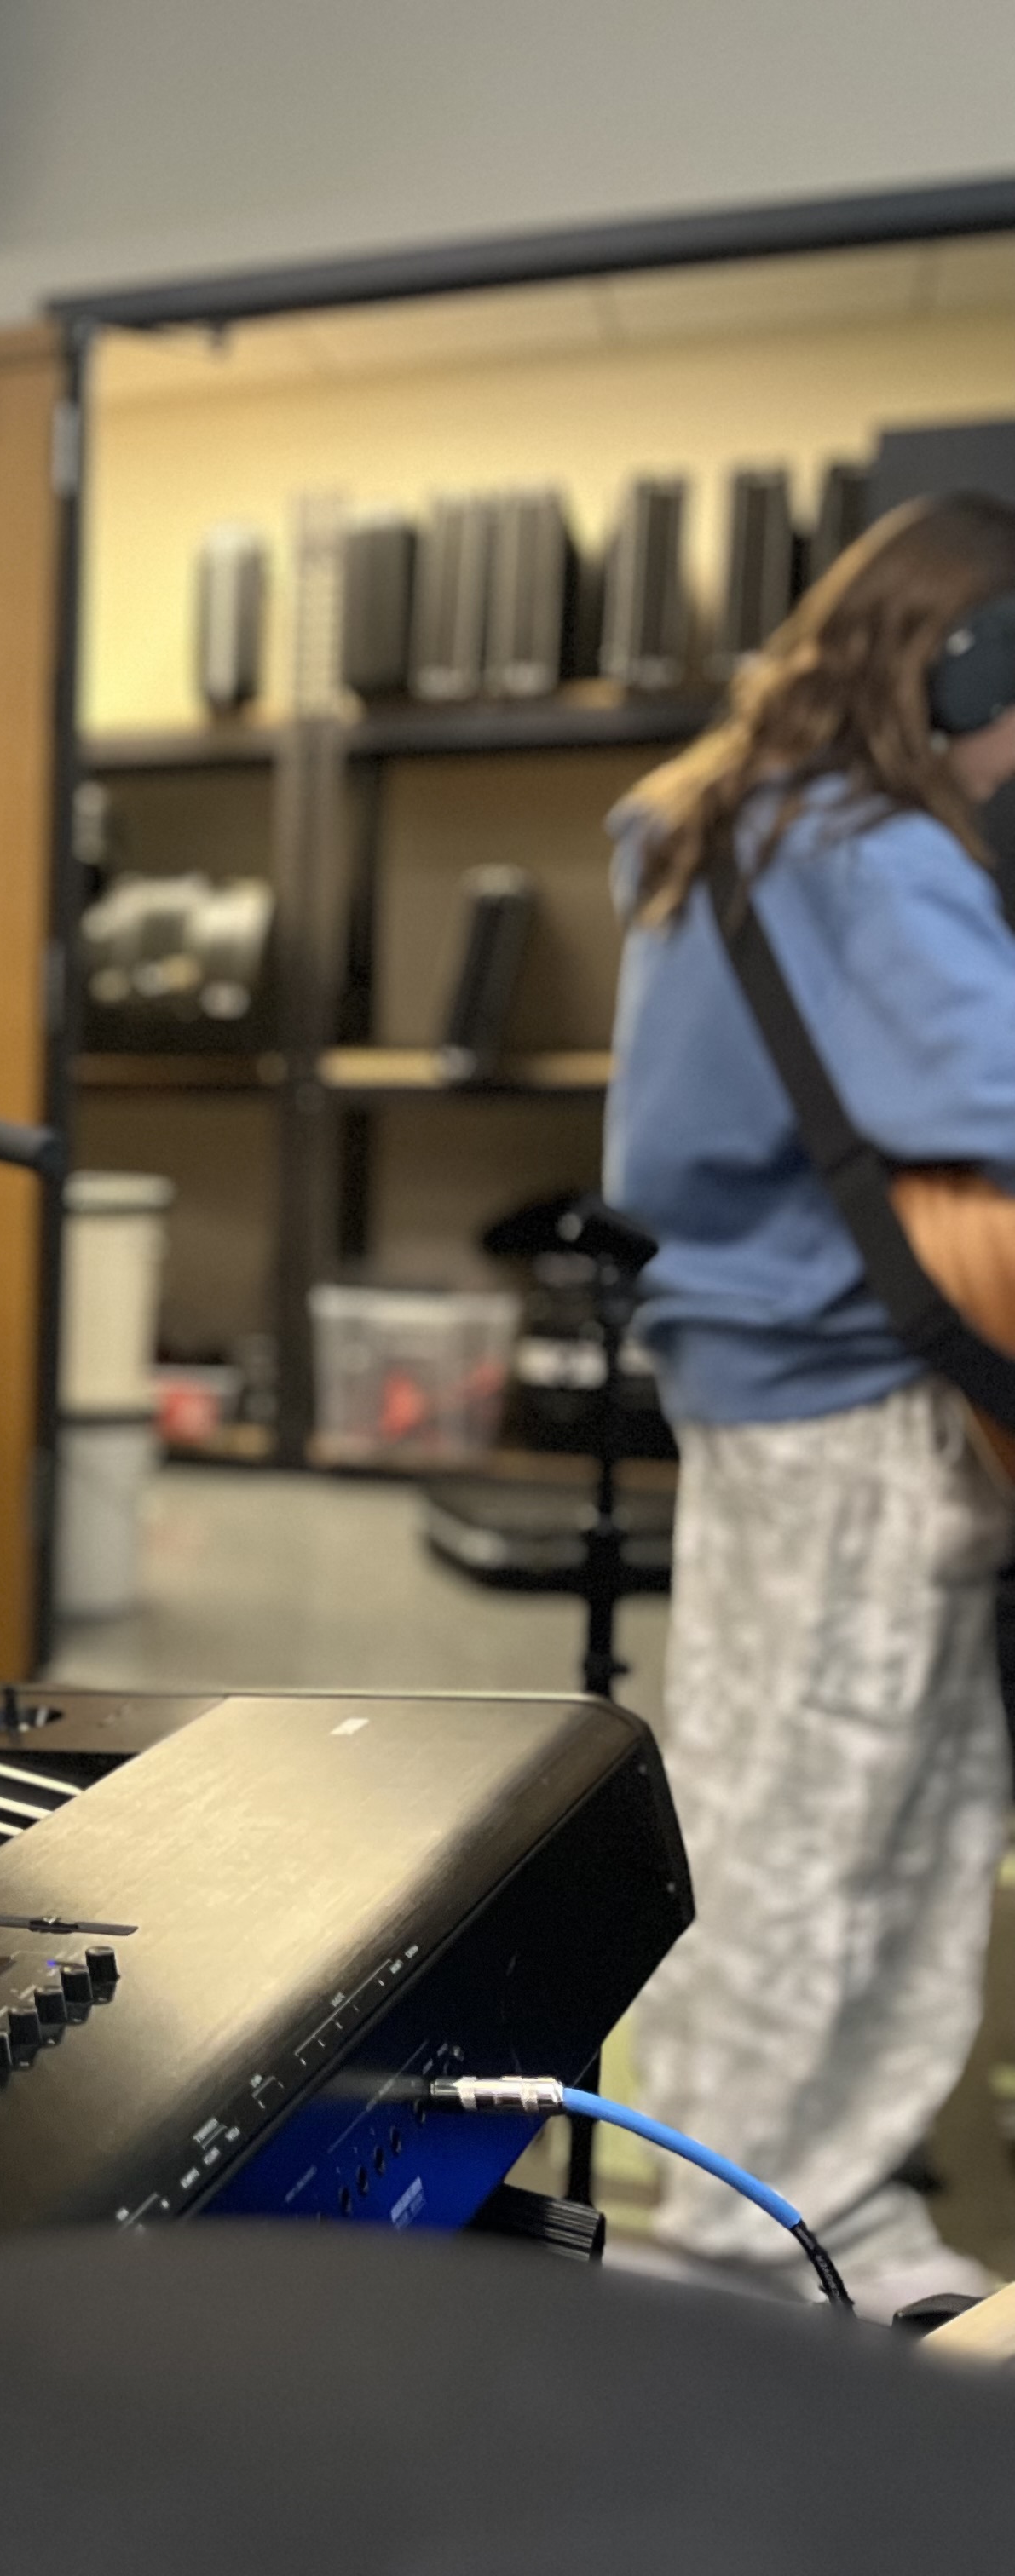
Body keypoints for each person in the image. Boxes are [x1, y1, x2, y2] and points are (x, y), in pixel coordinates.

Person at [605, 490, 1015, 2317]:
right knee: (839, 1809)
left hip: (786, 1380)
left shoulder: (726, 825)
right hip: (857, 1394)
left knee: (847, 1791)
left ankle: (817, 2194)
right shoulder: (863, 849)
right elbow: (989, 1092)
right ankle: (742, 2232)